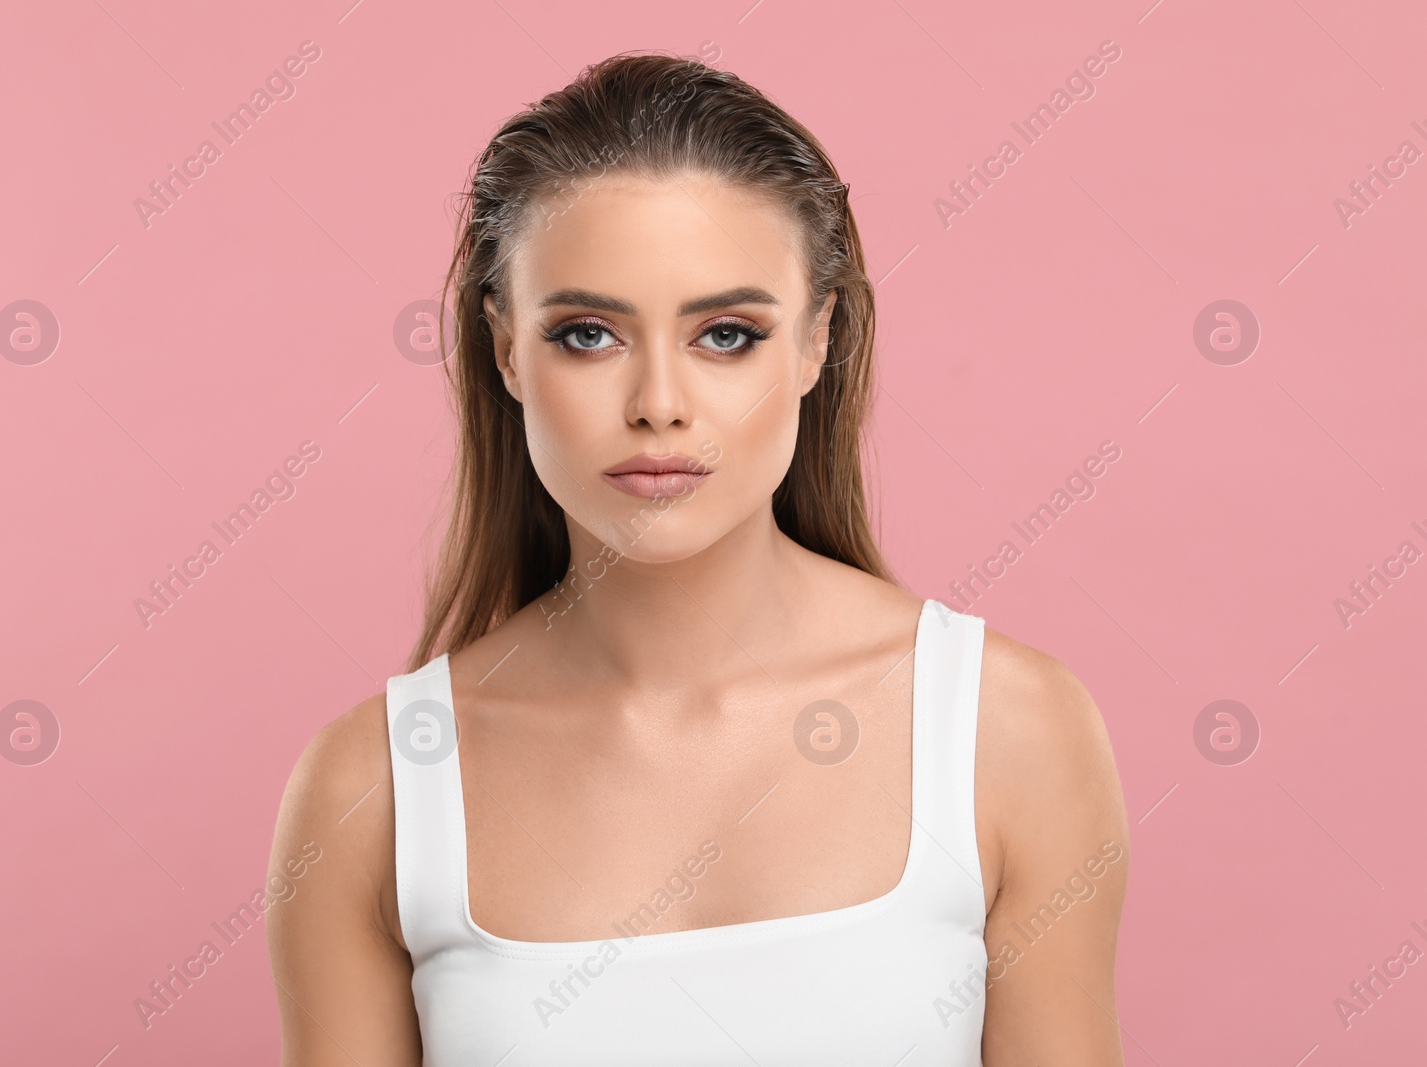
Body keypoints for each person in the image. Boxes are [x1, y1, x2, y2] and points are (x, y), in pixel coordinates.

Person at [267, 50, 1129, 1066]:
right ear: (504, 350)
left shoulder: (1006, 730)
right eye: (588, 333)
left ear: (816, 341)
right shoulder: (369, 789)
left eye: (727, 334)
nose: (659, 402)